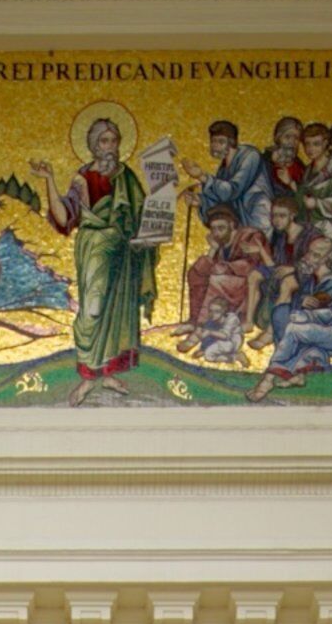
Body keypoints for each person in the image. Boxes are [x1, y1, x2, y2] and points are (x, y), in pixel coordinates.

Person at [33, 112, 158, 406]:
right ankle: (88, 377)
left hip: (125, 253)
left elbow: (143, 215)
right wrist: (49, 180)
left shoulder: (126, 177)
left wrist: (152, 226)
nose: (110, 147)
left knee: (119, 312)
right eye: (104, 141)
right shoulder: (83, 178)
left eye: (114, 140)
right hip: (95, 248)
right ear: (92, 145)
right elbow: (64, 219)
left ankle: (107, 372)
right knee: (92, 309)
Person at [250, 229, 332, 399]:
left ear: (327, 258)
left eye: (315, 254)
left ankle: (268, 379)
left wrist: (308, 316)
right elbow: (296, 305)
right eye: (309, 252)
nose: (308, 257)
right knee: (285, 316)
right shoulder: (309, 279)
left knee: (295, 329)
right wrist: (302, 301)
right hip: (320, 333)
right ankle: (302, 371)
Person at [180, 206, 273, 366]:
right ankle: (195, 320)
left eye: (221, 228)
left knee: (217, 278)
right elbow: (204, 268)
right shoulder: (220, 243)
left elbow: (255, 264)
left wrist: (228, 267)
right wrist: (213, 249)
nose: (217, 233)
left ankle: (200, 329)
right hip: (226, 283)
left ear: (232, 225)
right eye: (214, 229)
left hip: (248, 285)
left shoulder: (250, 235)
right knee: (196, 273)